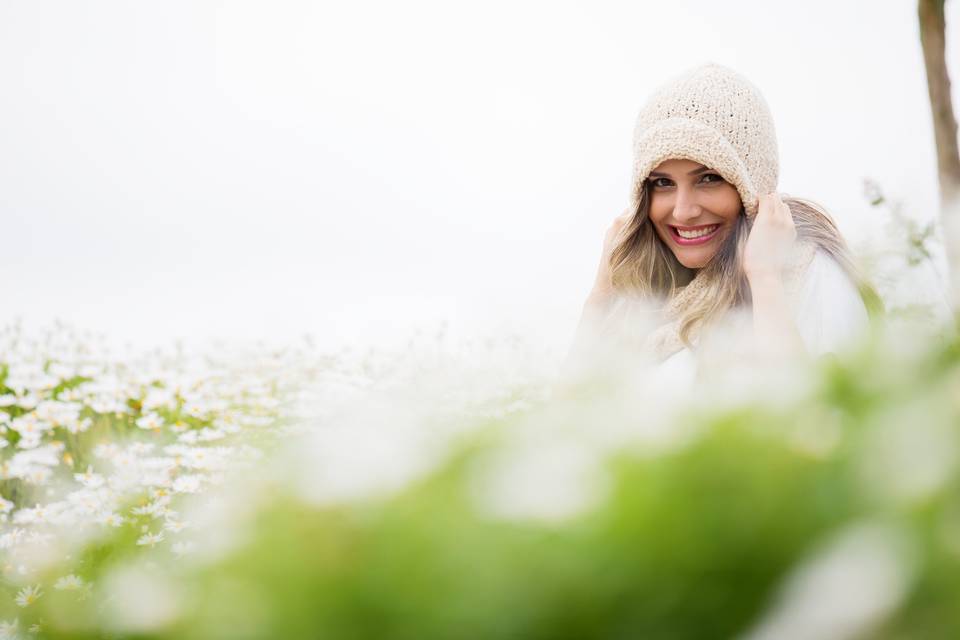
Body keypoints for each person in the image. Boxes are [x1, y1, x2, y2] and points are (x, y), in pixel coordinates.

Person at [565, 63, 883, 385]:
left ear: (751, 184)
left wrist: (764, 279)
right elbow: (568, 421)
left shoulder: (808, 273)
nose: (683, 211)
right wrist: (601, 295)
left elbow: (818, 416)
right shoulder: (640, 297)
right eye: (662, 183)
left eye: (708, 178)